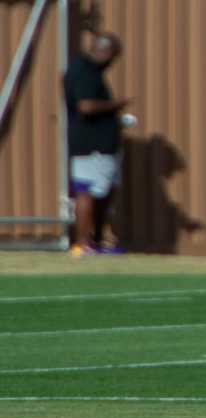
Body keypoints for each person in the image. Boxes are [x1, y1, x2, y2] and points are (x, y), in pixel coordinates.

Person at [62, 32, 130, 255]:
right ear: (106, 52)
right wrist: (116, 104)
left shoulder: (83, 69)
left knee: (101, 191)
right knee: (87, 191)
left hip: (96, 144)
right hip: (93, 146)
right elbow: (86, 106)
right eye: (113, 57)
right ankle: (84, 243)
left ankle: (96, 241)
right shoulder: (85, 72)